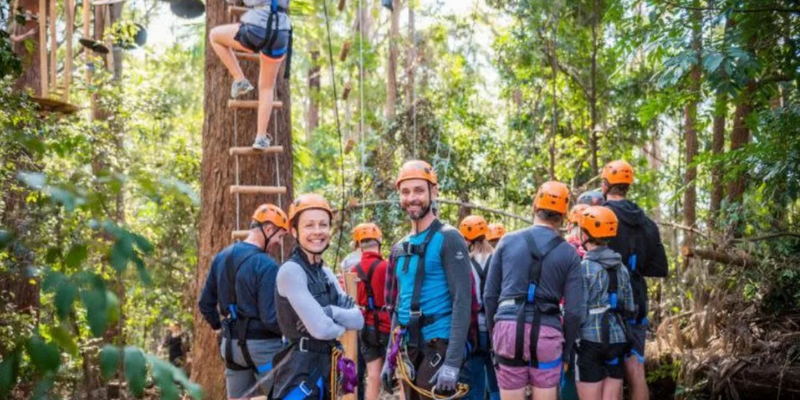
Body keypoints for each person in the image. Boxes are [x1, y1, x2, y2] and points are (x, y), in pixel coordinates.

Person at [380, 160, 473, 400]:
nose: (413, 198)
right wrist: (390, 357)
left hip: (438, 345)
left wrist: (452, 362)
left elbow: (462, 302)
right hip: (408, 348)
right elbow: (399, 303)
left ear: (433, 192)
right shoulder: (399, 247)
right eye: (406, 192)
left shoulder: (449, 238)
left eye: (419, 190)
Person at [483, 181, 584, 400]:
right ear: (564, 216)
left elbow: (490, 296)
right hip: (547, 334)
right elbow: (575, 311)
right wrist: (566, 352)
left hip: (508, 328)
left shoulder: (507, 241)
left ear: (535, 205)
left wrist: (495, 333)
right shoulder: (569, 254)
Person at [270, 194, 364, 400]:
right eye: (309, 225)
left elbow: (358, 319)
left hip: (324, 369)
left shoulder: (326, 274)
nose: (317, 231)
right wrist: (340, 325)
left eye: (323, 225)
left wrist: (329, 312)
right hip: (298, 373)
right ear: (294, 231)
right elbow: (322, 329)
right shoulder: (291, 272)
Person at [198, 203, 289, 398]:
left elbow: (205, 303)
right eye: (279, 236)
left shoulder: (221, 257)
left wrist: (218, 326)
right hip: (262, 347)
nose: (279, 243)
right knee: (286, 395)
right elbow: (270, 318)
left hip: (231, 347)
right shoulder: (267, 265)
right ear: (268, 229)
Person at [600, 160, 668, 400]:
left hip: (609, 299)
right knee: (636, 366)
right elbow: (660, 267)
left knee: (613, 369)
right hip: (638, 299)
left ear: (606, 185)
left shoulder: (602, 217)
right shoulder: (647, 222)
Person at [209, 0, 292, 149]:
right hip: (280, 34)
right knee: (266, 87)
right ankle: (260, 137)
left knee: (214, 35)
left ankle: (240, 79)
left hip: (257, 29)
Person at [574, 206, 635, 400]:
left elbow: (579, 312)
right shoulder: (622, 268)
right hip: (617, 340)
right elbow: (629, 307)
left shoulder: (584, 268)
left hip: (590, 341)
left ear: (585, 234)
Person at [459, 215, 500, 400]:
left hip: (473, 330)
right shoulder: (498, 259)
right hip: (496, 328)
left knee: (474, 383)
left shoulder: (463, 262)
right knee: (497, 383)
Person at [350, 223, 391, 400]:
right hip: (387, 326)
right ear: (379, 242)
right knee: (399, 374)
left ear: (359, 246)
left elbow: (352, 299)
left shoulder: (354, 270)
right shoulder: (387, 267)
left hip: (365, 328)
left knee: (373, 376)